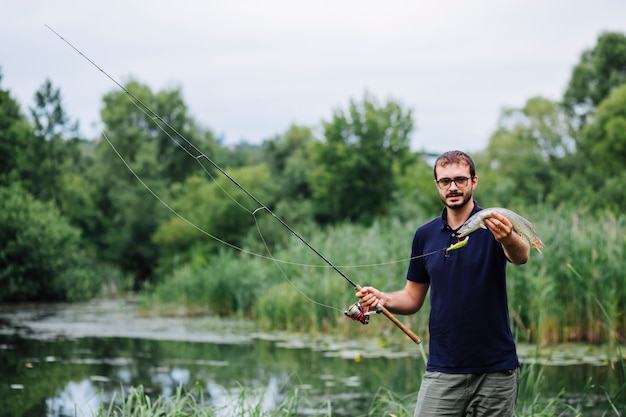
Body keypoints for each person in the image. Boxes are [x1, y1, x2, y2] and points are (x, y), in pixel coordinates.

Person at [356, 150, 529, 417]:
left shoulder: (495, 224)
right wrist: (383, 299)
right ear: (437, 185)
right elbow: (412, 298)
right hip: (443, 368)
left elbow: (521, 256)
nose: (453, 187)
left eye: (460, 179)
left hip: (496, 369)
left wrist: (507, 238)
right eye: (445, 181)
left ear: (474, 181)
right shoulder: (424, 235)